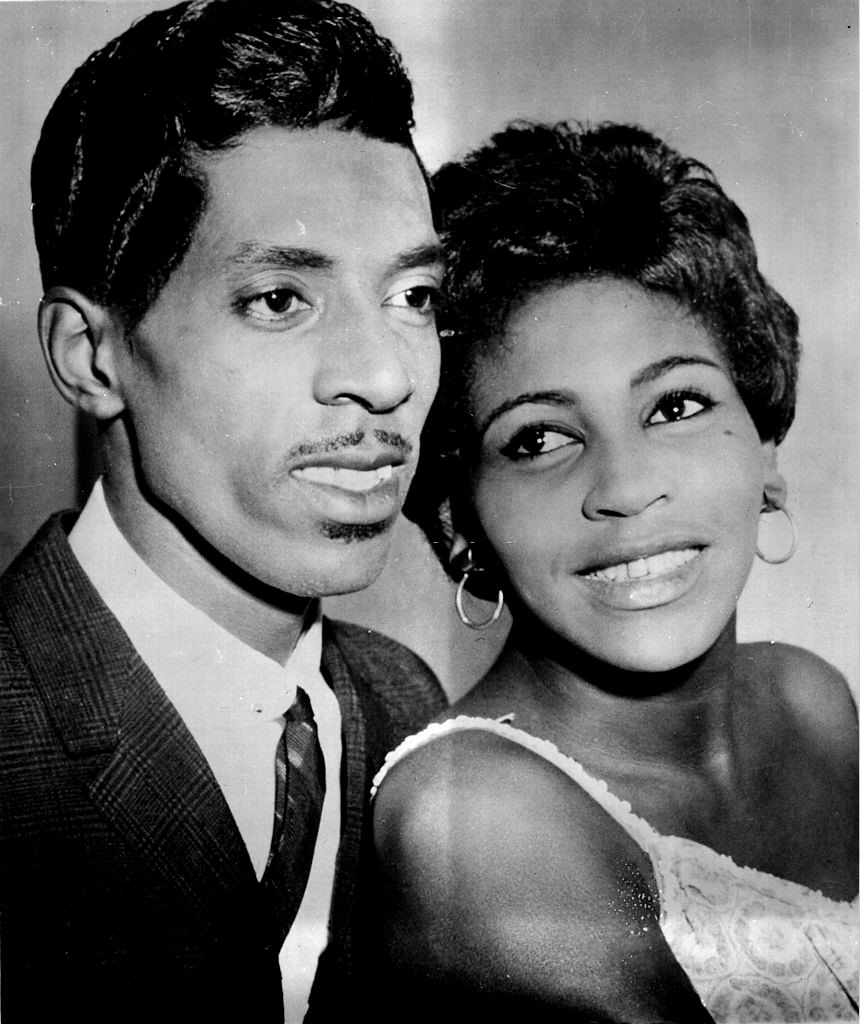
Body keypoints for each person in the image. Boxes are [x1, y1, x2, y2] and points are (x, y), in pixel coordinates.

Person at [0, 1, 448, 1020]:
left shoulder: (409, 713)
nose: (385, 375)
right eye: (279, 300)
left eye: (414, 297)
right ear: (91, 355)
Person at [371, 121, 858, 1022]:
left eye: (675, 405)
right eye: (539, 439)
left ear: (767, 446)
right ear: (458, 514)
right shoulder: (470, 819)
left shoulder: (812, 702)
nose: (627, 490)